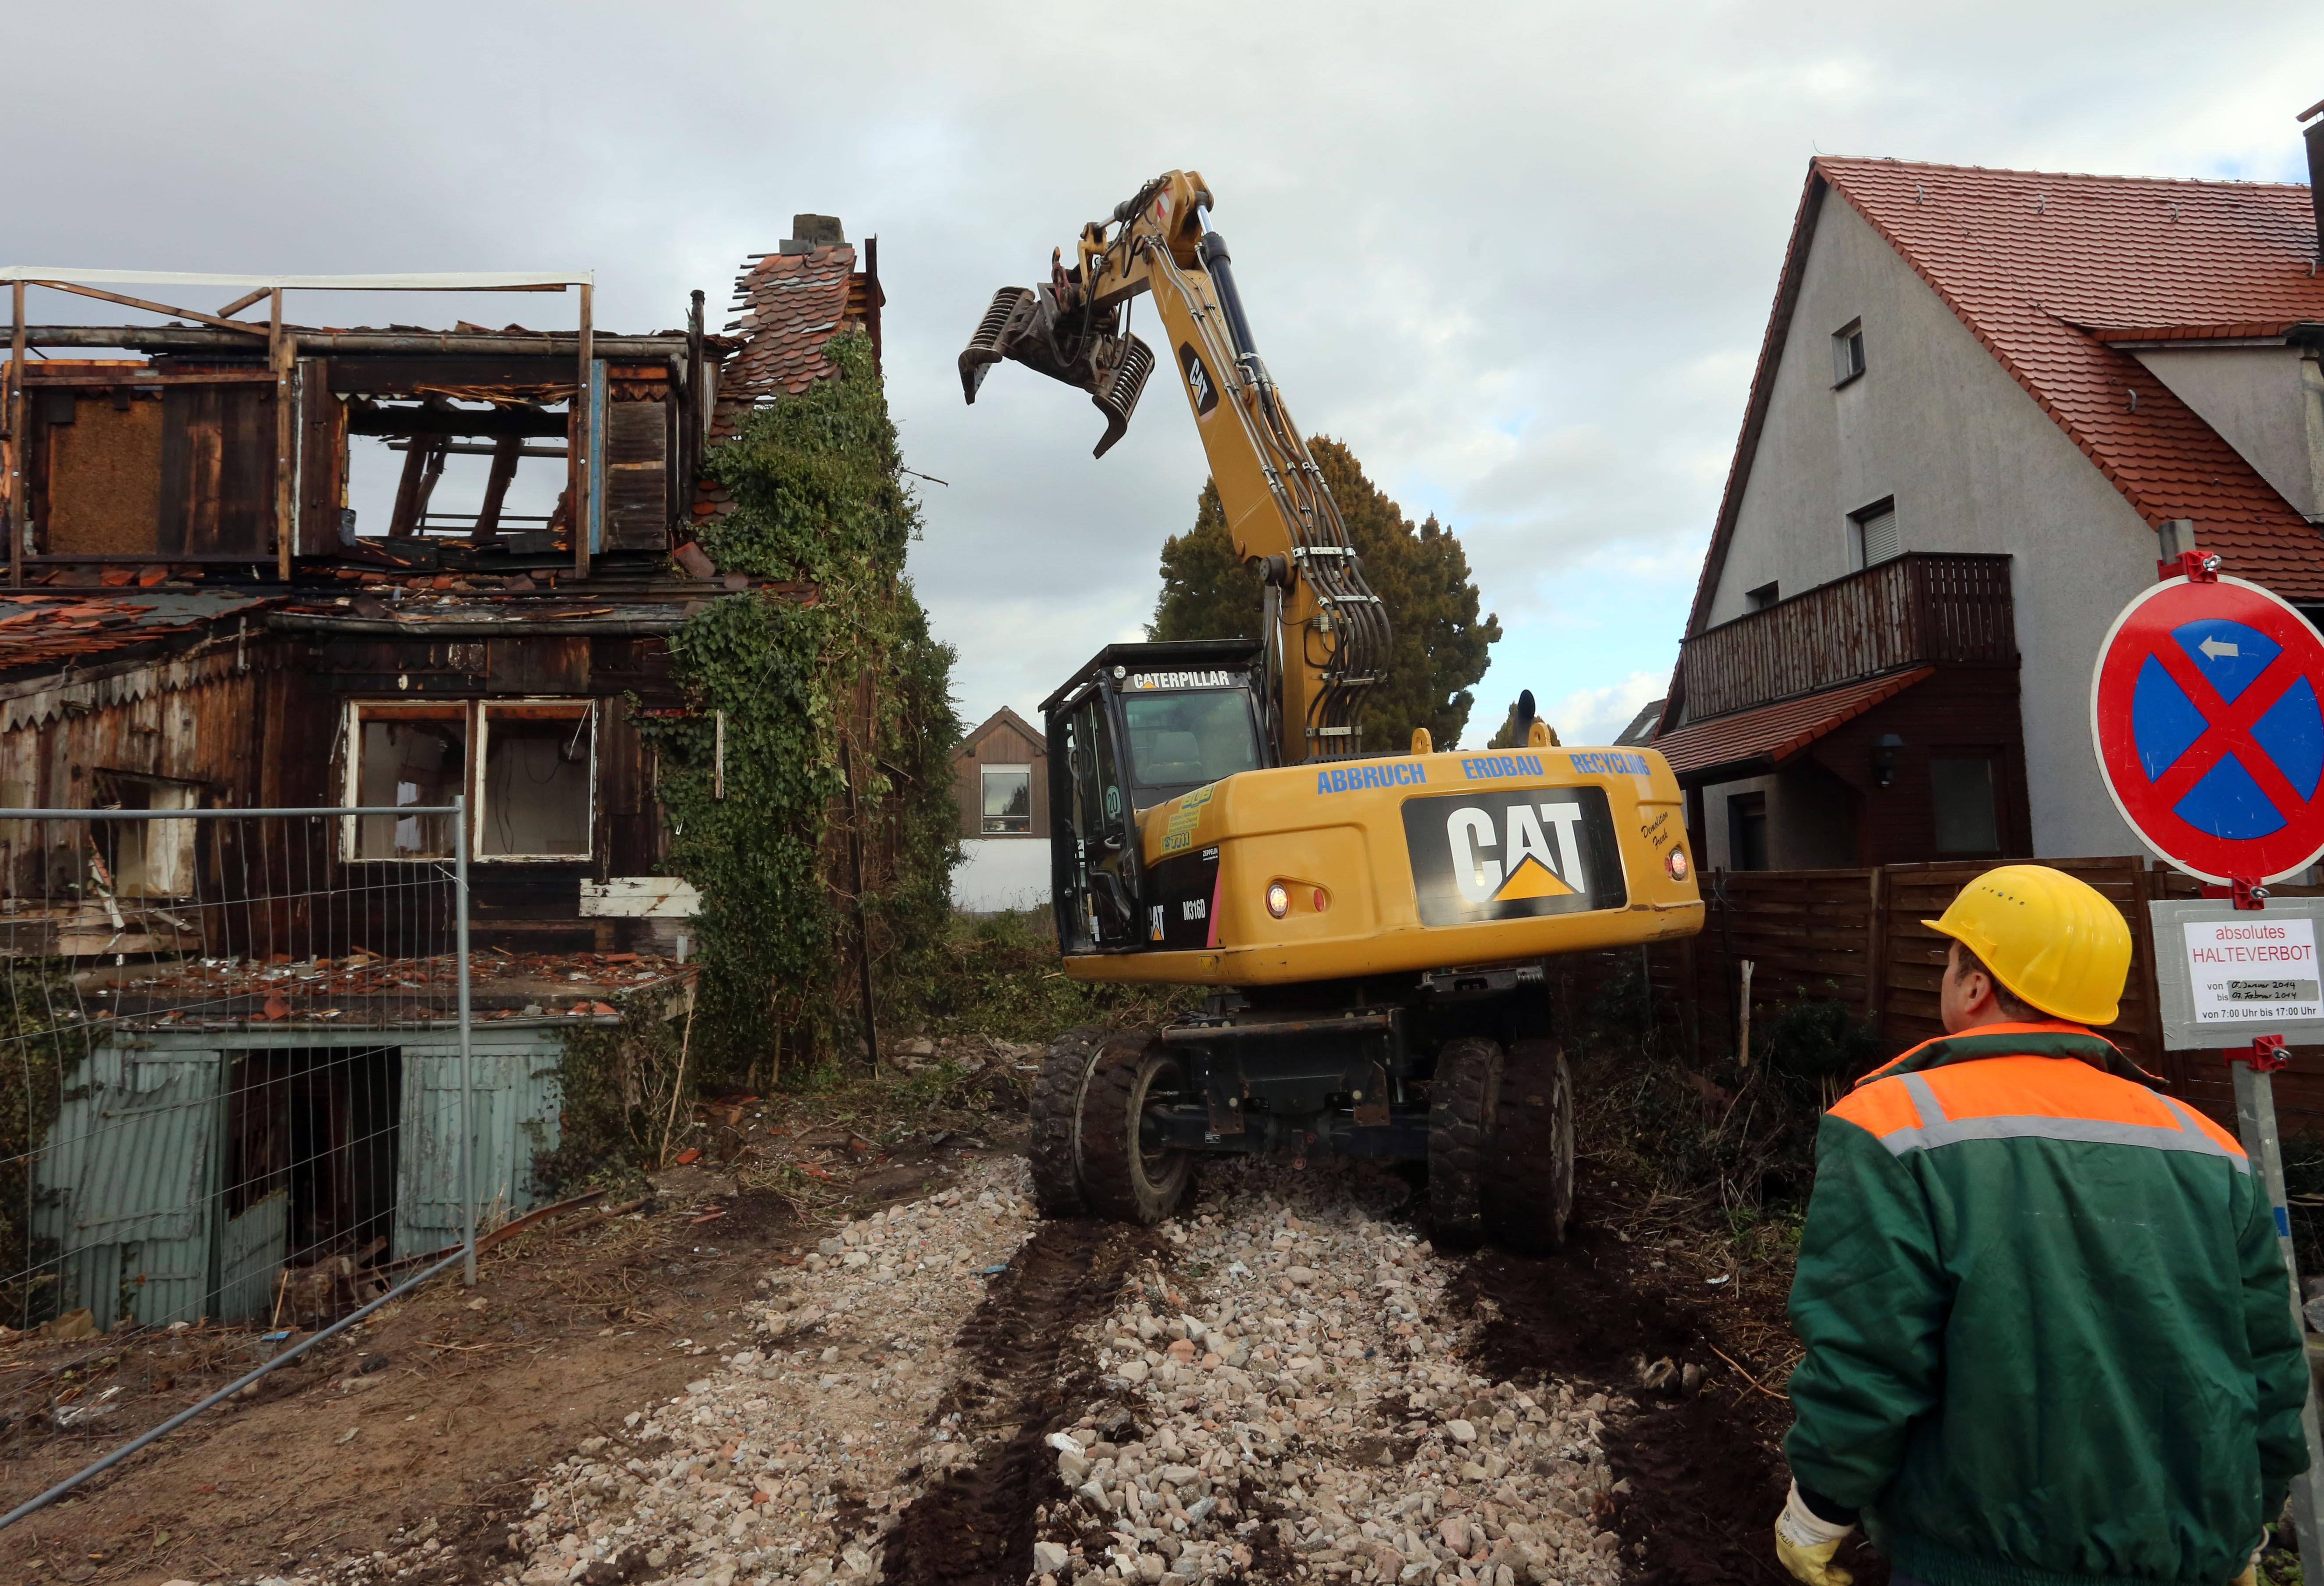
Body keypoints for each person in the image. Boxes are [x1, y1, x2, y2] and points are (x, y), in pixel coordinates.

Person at [1773, 864, 2310, 1586]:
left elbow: (1871, 1353)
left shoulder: (1892, 1127)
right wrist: (2250, 1522)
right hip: (2193, 1550)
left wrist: (1819, 1509)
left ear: (1975, 986)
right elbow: (2270, 1364)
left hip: (1986, 1559)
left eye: (1952, 959)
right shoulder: (2210, 1147)